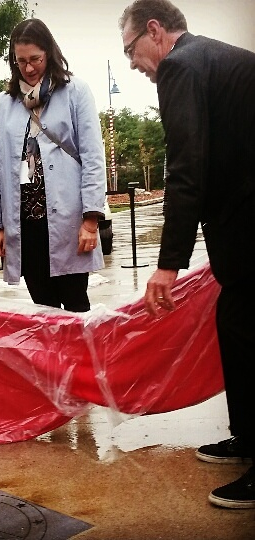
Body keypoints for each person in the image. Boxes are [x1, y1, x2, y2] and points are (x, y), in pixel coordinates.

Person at [119, 0, 255, 509]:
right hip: (242, 224)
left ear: (155, 31)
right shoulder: (216, 58)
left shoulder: (180, 66)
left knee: (246, 331)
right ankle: (246, 436)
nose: (132, 63)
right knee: (236, 325)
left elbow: (186, 168)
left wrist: (167, 264)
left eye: (130, 49)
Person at [0, 19, 106, 313]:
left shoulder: (75, 92)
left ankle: (83, 348)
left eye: (35, 59)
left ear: (49, 54)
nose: (28, 68)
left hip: (68, 222)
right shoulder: (3, 103)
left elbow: (92, 157)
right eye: (21, 61)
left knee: (76, 307)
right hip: (26, 227)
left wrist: (90, 221)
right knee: (44, 312)